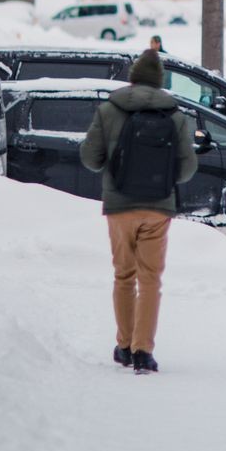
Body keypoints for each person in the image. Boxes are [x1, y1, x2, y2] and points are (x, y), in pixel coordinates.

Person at [79, 49, 197, 374]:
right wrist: (163, 176)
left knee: (123, 275)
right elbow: (188, 168)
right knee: (150, 280)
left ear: (132, 77)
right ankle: (144, 350)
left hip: (119, 206)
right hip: (158, 207)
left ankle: (124, 345)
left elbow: (90, 159)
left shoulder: (108, 110)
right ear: (160, 81)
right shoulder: (175, 115)